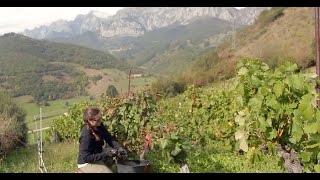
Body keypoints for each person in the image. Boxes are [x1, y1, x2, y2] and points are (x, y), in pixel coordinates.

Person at [76, 107, 127, 173]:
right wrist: (106, 154)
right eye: (98, 119)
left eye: (101, 117)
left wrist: (119, 148)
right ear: (90, 120)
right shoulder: (86, 135)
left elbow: (109, 138)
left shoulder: (99, 125)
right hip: (86, 163)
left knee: (118, 169)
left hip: (98, 155)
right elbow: (86, 158)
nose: (100, 120)